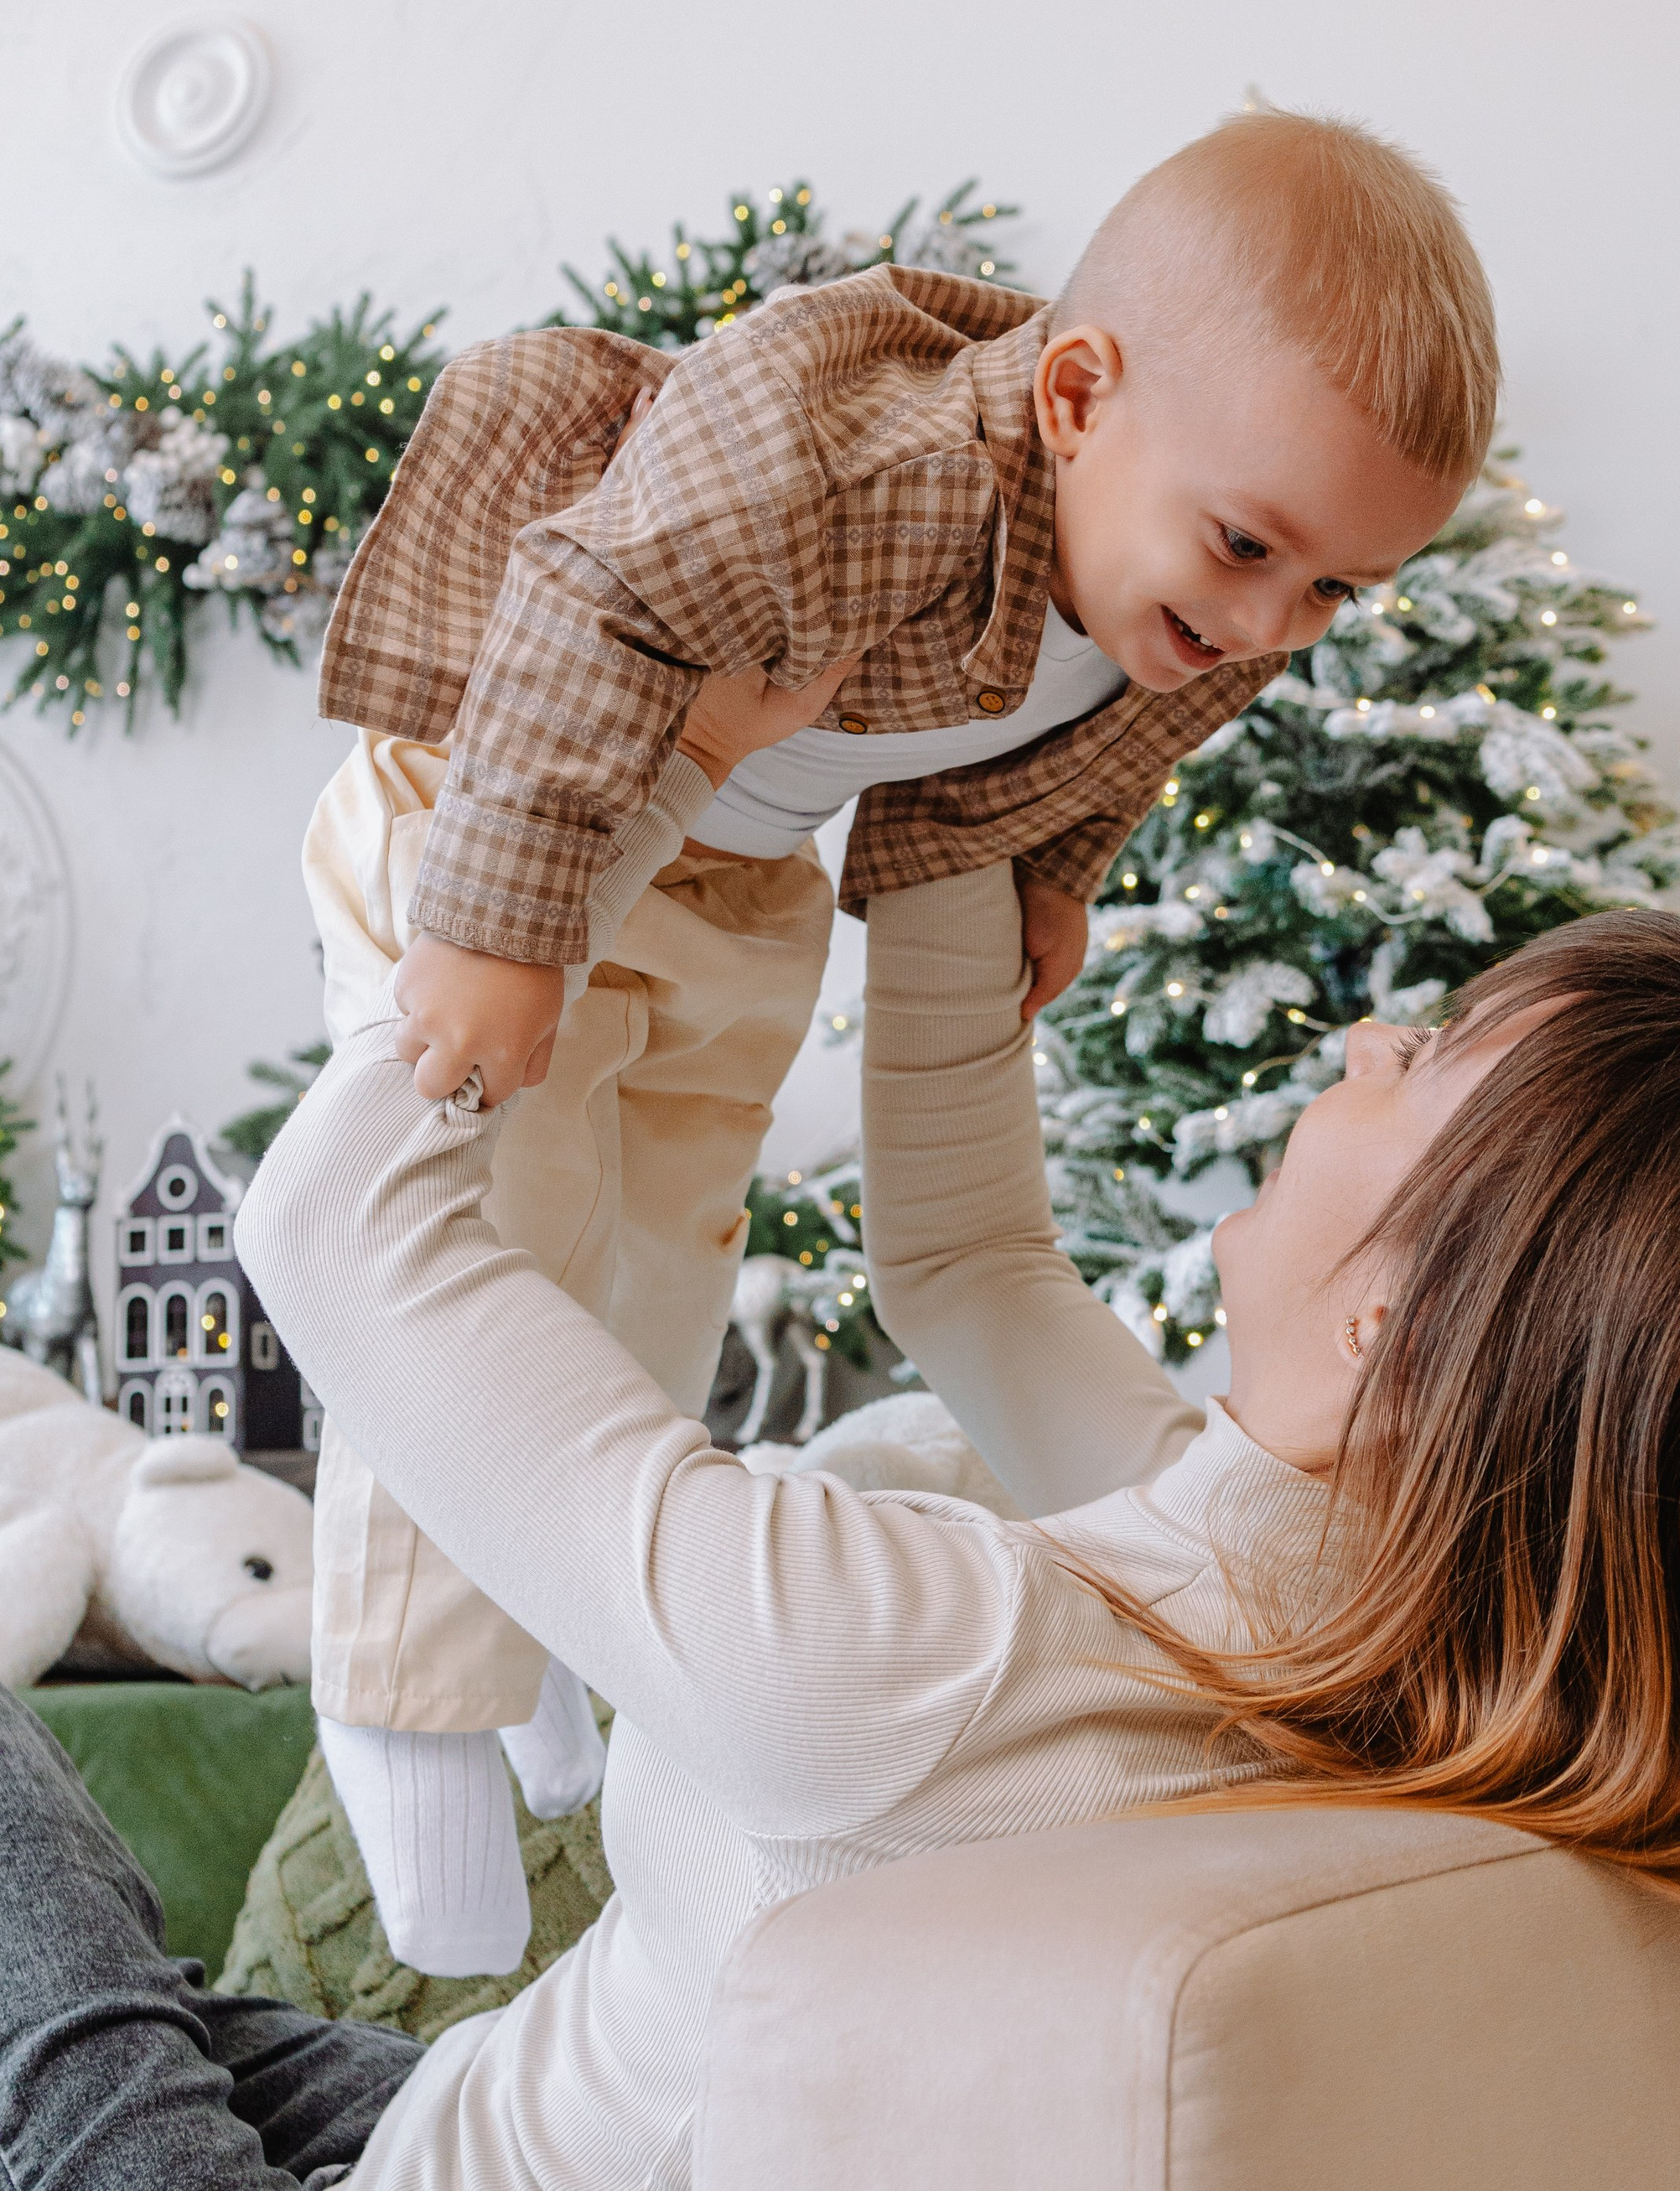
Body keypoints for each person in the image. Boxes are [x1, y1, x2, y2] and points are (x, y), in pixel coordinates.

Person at [0, 875, 1680, 2191]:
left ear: (1402, 1317)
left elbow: (329, 1217)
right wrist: (971, 872)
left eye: (1434, 1059)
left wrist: (542, 853)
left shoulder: (926, 1663)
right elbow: (967, 1262)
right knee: (145, 2018)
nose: (1371, 1035)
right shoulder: (1363, 1662)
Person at [301, 108, 1501, 1972]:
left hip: (735, 882)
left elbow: (1093, 747)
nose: (1270, 627)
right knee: (492, 1224)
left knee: (656, 1268)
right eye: (1250, 551)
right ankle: (401, 1695)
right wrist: (488, 929)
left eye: (1334, 592)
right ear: (1080, 395)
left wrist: (1047, 877)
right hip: (510, 809)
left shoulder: (1201, 591)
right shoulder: (862, 463)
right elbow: (587, 596)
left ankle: (526, 1618)